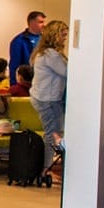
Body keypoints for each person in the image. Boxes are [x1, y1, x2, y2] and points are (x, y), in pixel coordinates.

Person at [29, 20, 68, 183]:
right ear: (55, 35)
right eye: (63, 35)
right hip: (48, 100)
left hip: (44, 98)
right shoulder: (50, 55)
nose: (65, 38)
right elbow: (67, 72)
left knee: (54, 133)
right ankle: (45, 170)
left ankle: (48, 167)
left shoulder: (42, 53)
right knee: (52, 134)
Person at [9, 10, 46, 81]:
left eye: (44, 22)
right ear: (32, 23)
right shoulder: (19, 41)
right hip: (26, 81)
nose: (44, 25)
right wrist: (14, 85)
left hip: (41, 81)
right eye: (40, 22)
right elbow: (14, 65)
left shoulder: (45, 39)